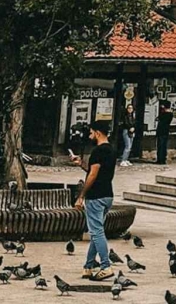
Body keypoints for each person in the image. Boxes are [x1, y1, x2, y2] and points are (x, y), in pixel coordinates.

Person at [74, 119, 117, 280]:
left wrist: (81, 196)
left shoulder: (98, 151)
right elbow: (97, 170)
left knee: (97, 232)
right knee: (96, 231)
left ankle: (106, 266)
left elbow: (93, 175)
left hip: (95, 196)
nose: (90, 135)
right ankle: (88, 266)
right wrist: (81, 164)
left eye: (91, 133)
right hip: (108, 195)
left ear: (98, 133)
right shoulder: (111, 150)